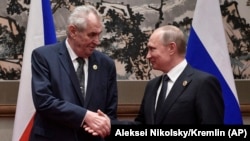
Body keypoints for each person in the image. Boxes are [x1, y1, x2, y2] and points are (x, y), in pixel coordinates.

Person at [29, 5, 118, 141]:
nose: (97, 41)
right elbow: (44, 101)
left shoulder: (106, 65)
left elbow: (110, 111)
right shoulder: (44, 57)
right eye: (92, 35)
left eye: (98, 34)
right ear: (73, 31)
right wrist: (85, 116)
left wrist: (104, 123)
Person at [133, 25, 224, 124]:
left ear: (171, 48)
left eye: (152, 49)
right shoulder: (152, 85)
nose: (148, 56)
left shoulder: (203, 83)